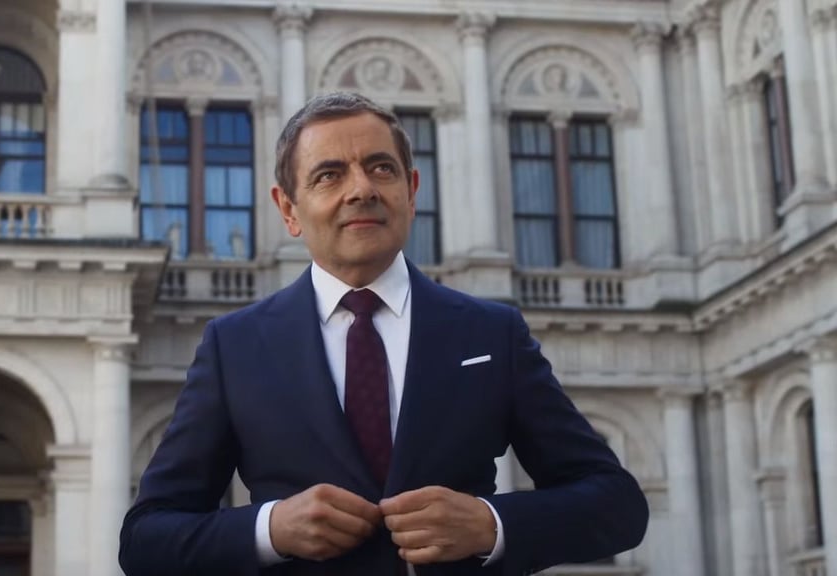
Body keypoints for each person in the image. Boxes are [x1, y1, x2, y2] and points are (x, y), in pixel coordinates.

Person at [119, 92, 649, 576]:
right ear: (289, 210)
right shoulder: (234, 348)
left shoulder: (490, 334)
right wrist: (270, 529)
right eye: (329, 175)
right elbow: (146, 538)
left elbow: (617, 506)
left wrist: (490, 524)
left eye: (381, 168)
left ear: (411, 190)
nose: (362, 189)